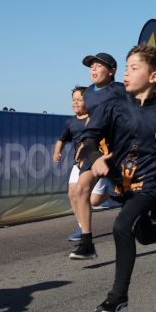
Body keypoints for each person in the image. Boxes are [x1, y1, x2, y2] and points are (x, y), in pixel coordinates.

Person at [80, 44, 156, 312]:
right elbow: (88, 138)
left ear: (153, 77)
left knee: (122, 227)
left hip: (151, 184)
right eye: (125, 68)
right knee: (143, 236)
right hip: (121, 184)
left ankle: (118, 296)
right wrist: (95, 156)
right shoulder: (113, 106)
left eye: (134, 68)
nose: (126, 74)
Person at [68, 52, 126, 260]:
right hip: (97, 150)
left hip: (120, 148)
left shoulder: (120, 89)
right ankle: (87, 244)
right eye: (91, 66)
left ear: (112, 71)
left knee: (124, 195)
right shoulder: (89, 93)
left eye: (98, 66)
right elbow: (91, 120)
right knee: (81, 190)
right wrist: (84, 142)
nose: (93, 69)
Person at [53, 86, 106, 242]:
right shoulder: (70, 122)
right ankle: (82, 227)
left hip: (96, 164)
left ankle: (118, 193)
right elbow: (61, 140)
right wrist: (58, 152)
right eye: (73, 100)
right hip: (79, 164)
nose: (75, 102)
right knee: (73, 193)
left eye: (79, 99)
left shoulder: (96, 120)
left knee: (94, 201)